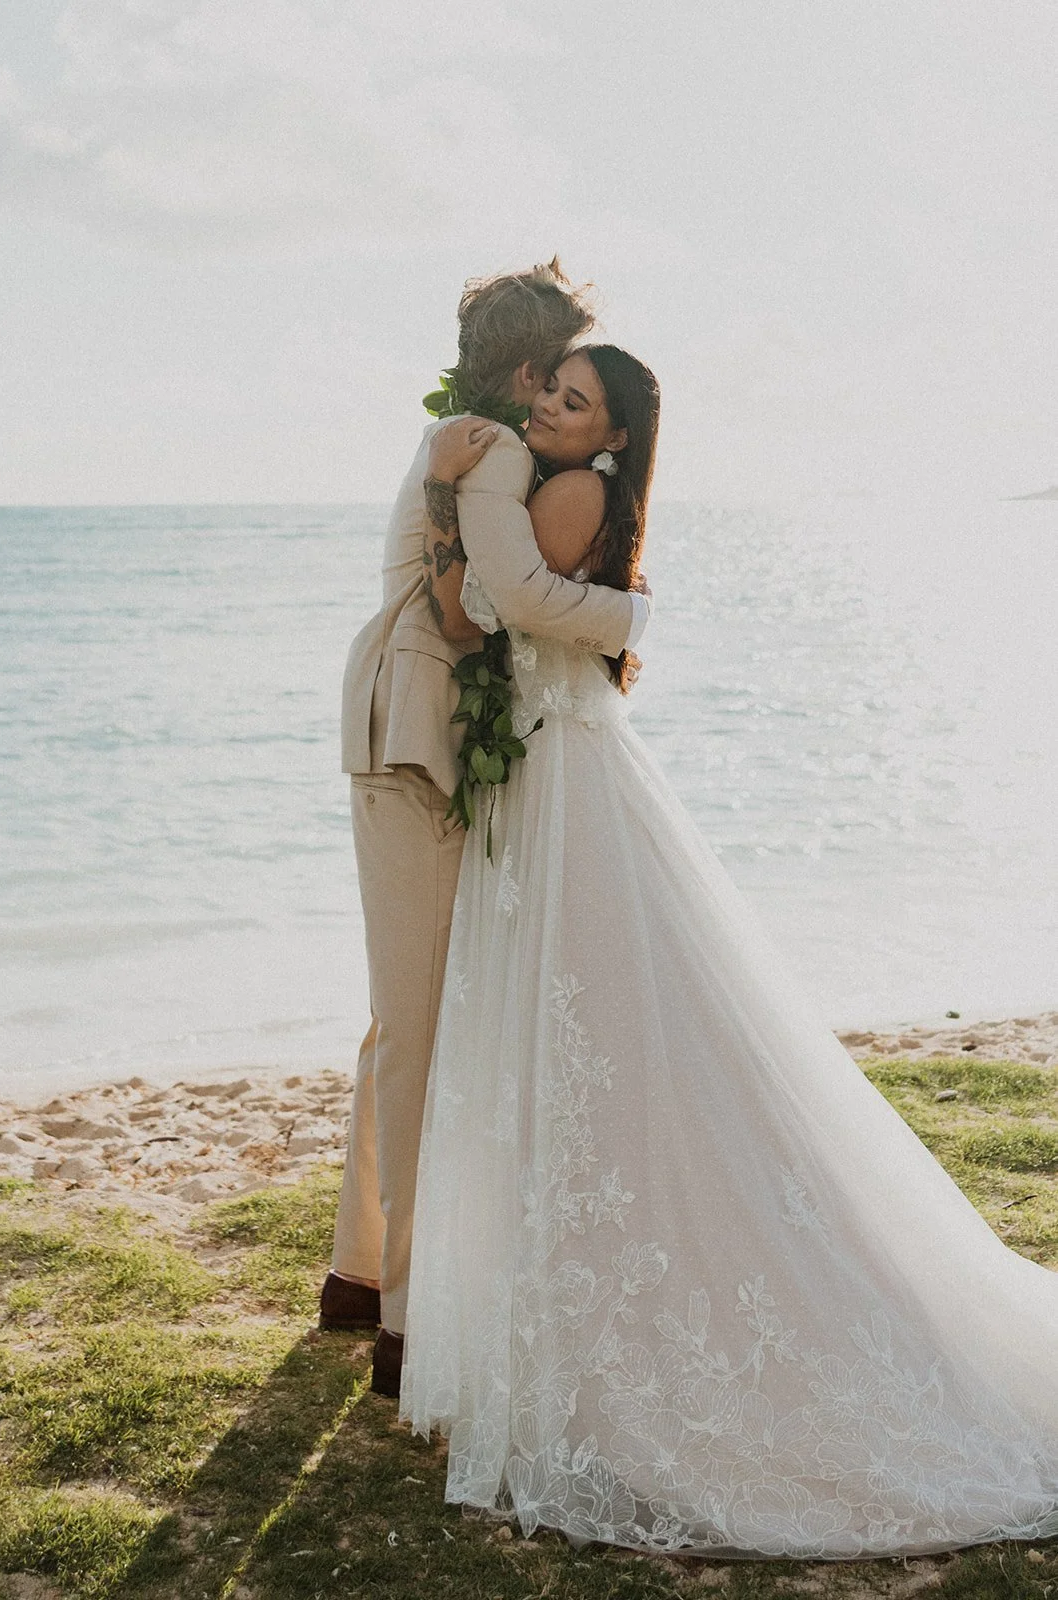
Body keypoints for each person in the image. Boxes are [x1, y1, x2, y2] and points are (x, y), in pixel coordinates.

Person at [399, 344, 1058, 1558]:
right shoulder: (550, 483)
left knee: (600, 1038)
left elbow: (509, 600)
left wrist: (458, 476)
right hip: (541, 778)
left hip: (569, 787)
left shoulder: (568, 489)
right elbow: (468, 607)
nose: (544, 408)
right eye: (546, 390)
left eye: (571, 401)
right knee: (577, 1048)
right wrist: (461, 521)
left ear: (610, 435)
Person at [321, 261, 652, 1397]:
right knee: (420, 1032)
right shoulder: (495, 453)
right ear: (524, 374)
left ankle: (359, 1270)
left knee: (400, 1014)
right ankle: (406, 1321)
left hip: (391, 732)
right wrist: (627, 615)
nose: (557, 398)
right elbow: (493, 605)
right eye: (554, 376)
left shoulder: (452, 442)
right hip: (416, 743)